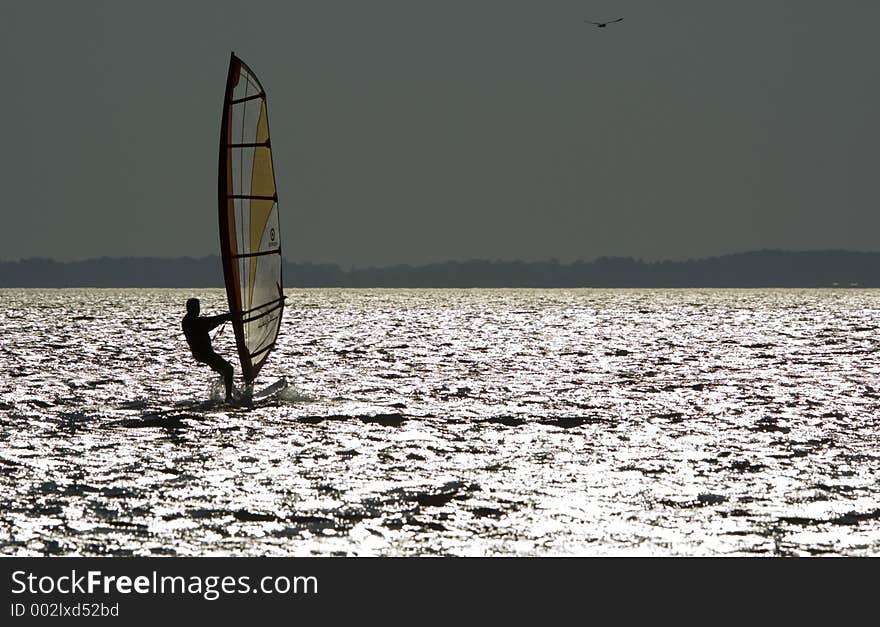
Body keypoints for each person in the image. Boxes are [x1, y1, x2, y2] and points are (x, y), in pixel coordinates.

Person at [182, 298, 234, 402]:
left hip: (201, 354)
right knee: (229, 369)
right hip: (205, 354)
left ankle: (229, 393)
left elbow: (208, 325)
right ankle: (228, 397)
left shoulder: (190, 320)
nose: (197, 310)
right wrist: (229, 316)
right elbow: (209, 321)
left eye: (198, 308)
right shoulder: (191, 321)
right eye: (195, 308)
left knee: (225, 372)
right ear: (189, 309)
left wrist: (225, 318)